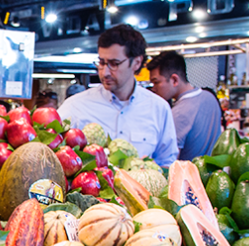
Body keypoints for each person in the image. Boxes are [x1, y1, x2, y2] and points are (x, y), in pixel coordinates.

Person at [56, 24, 178, 166]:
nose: (104, 72)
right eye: (101, 62)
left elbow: (166, 163)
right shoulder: (75, 106)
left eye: (114, 63)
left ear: (137, 63)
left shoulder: (158, 108)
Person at [146, 51, 222, 160]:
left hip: (188, 176)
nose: (153, 88)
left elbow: (170, 161)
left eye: (156, 82)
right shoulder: (210, 97)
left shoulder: (178, 113)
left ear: (174, 80)